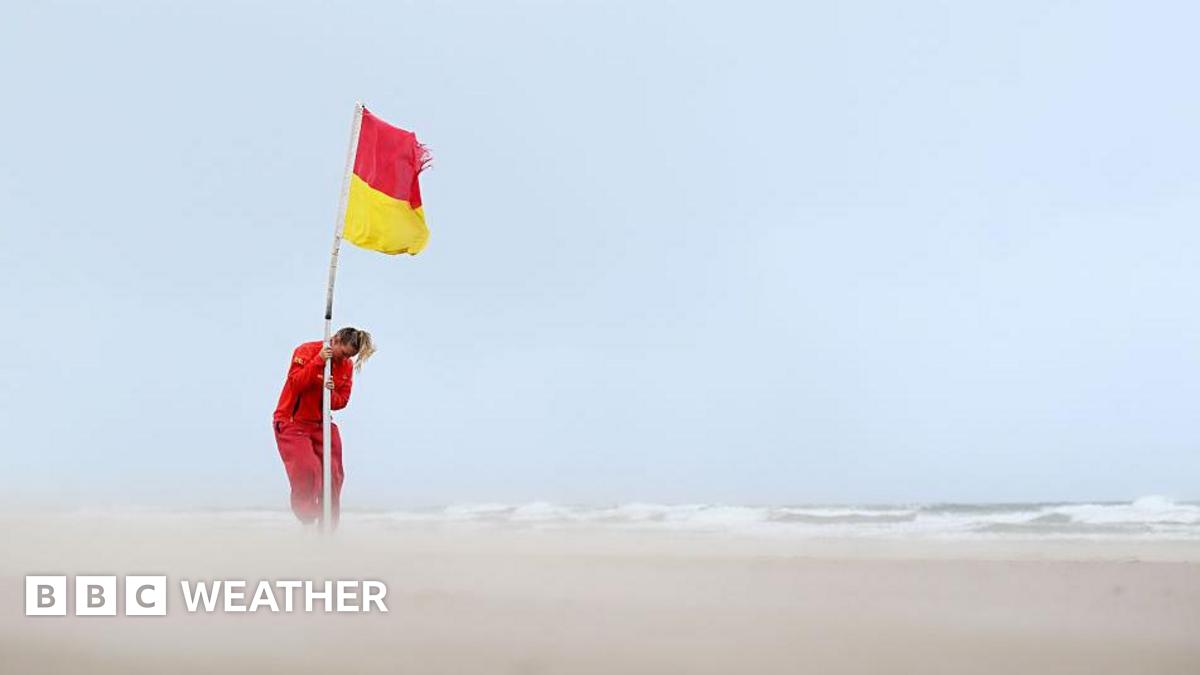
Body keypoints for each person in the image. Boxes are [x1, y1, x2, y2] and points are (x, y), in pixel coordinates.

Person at [273, 327, 375, 526]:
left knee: (334, 474)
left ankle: (328, 527)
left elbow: (341, 401)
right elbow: (295, 384)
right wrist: (319, 360)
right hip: (293, 422)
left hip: (321, 423)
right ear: (335, 340)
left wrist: (329, 391)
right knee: (309, 470)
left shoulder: (345, 366)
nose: (345, 359)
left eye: (350, 356)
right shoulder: (306, 351)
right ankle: (307, 517)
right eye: (344, 353)